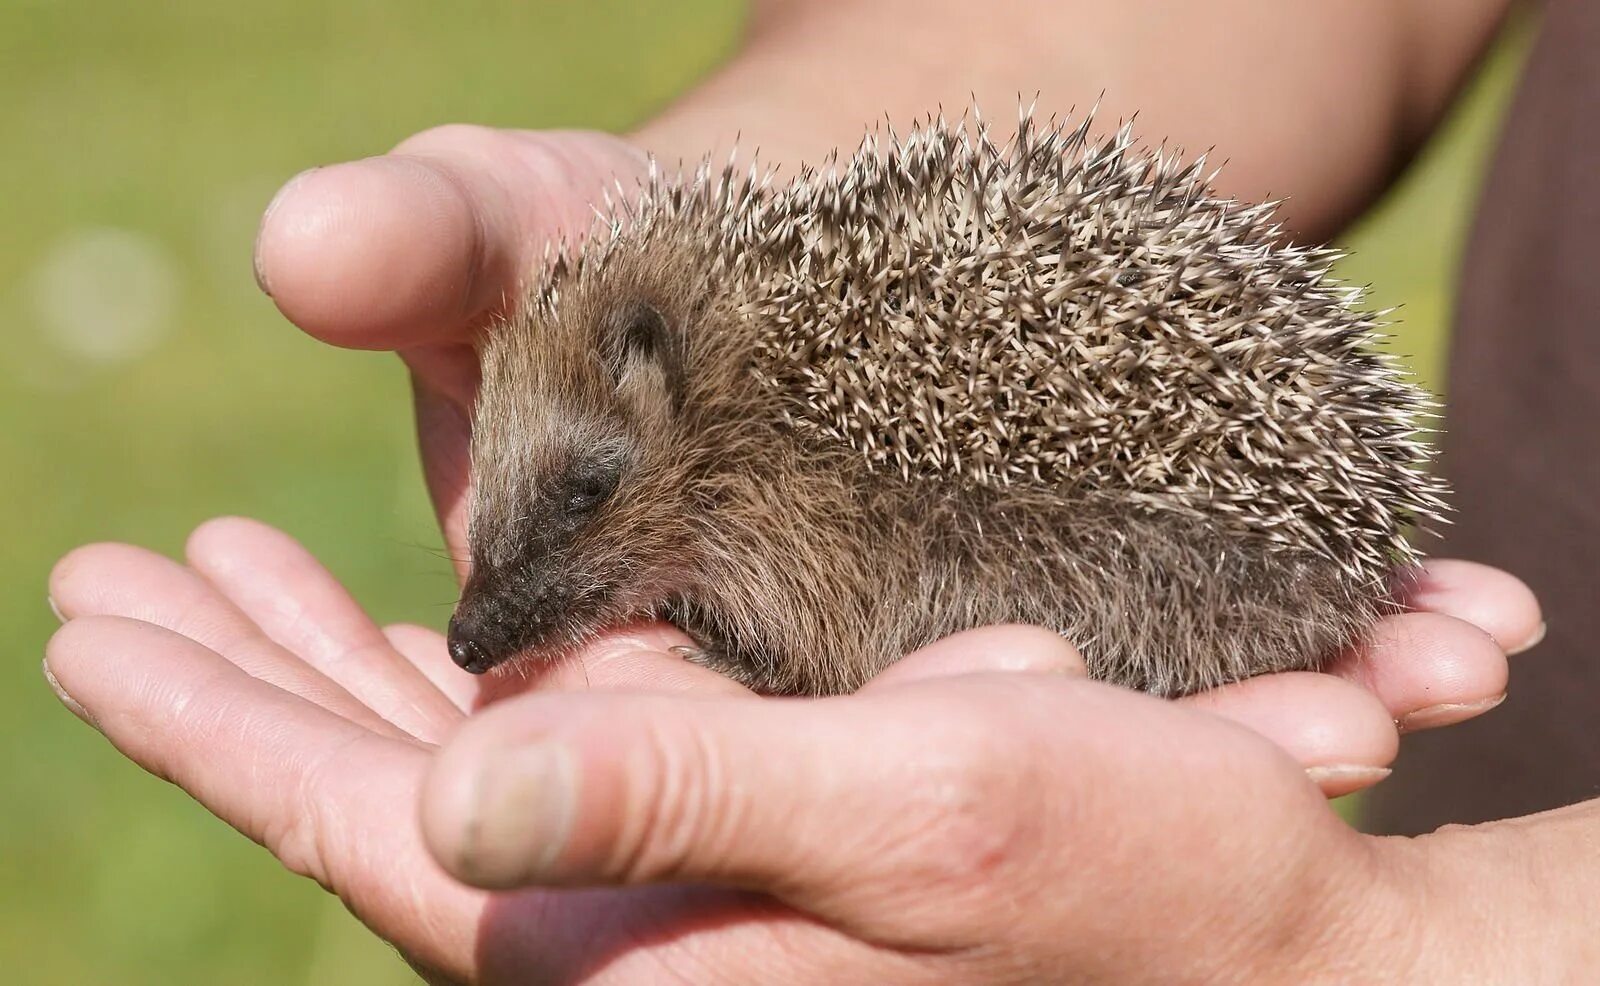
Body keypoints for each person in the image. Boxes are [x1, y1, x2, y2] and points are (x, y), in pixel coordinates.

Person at [42, 1, 1597, 981]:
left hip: (1221, 565)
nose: (501, 613)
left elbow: (822, 613)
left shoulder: (782, 454)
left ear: (673, 383)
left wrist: (1417, 947)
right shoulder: (736, 369)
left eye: (579, 503)